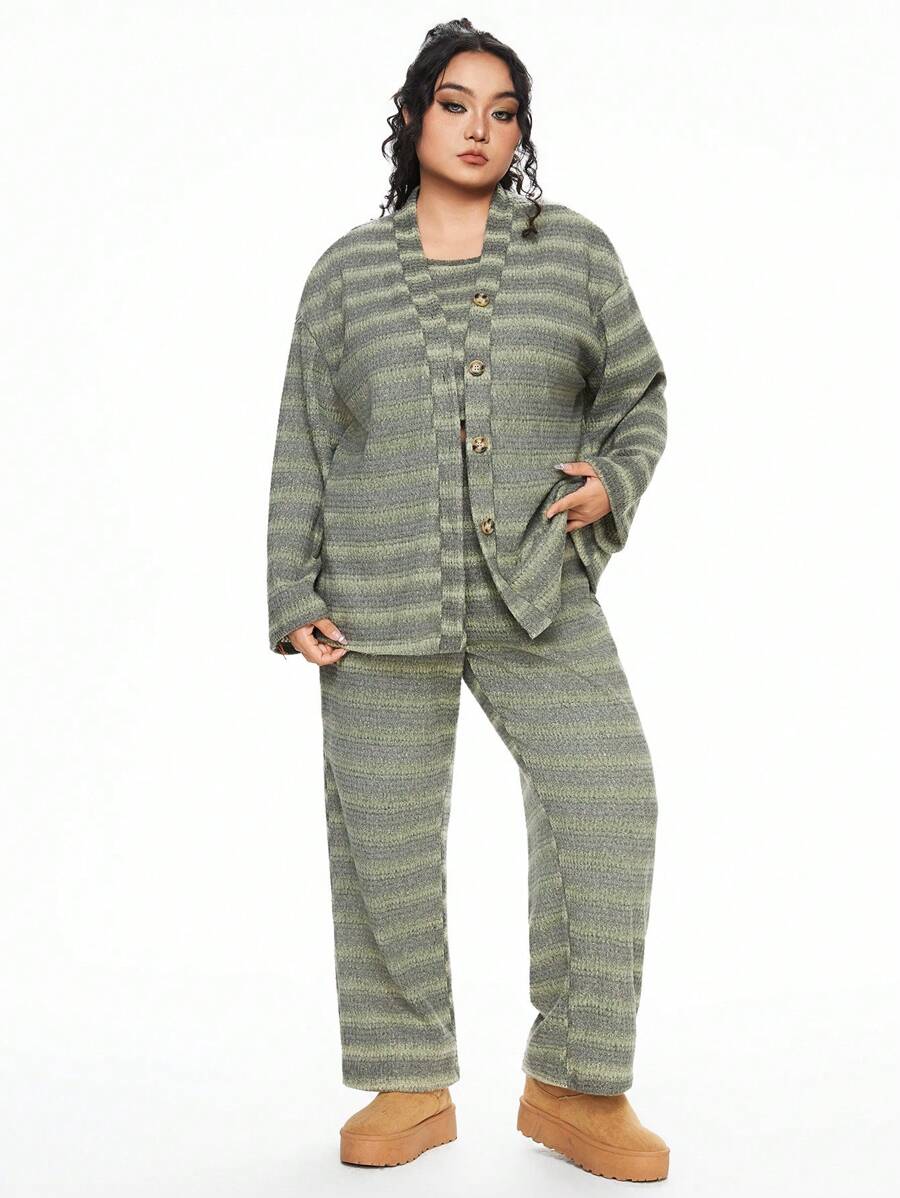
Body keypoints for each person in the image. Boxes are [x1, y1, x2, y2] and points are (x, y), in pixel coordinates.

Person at [266, 18, 671, 1183]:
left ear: (520, 131)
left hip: (538, 582)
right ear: (412, 118)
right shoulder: (347, 272)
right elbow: (304, 434)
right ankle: (408, 1079)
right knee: (385, 839)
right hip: (375, 596)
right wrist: (292, 586)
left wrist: (615, 477)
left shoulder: (573, 251)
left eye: (502, 111)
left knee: (609, 797)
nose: (479, 128)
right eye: (455, 104)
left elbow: (638, 393)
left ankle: (578, 1081)